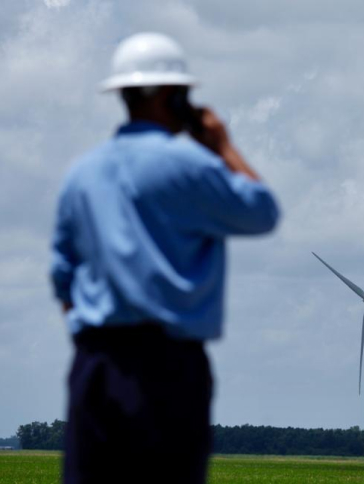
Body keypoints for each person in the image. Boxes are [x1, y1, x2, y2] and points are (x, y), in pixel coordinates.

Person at [50, 32, 279, 483]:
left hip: (94, 362)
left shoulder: (82, 174)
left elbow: (62, 274)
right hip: (169, 366)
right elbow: (262, 212)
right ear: (173, 96)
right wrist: (222, 146)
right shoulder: (191, 166)